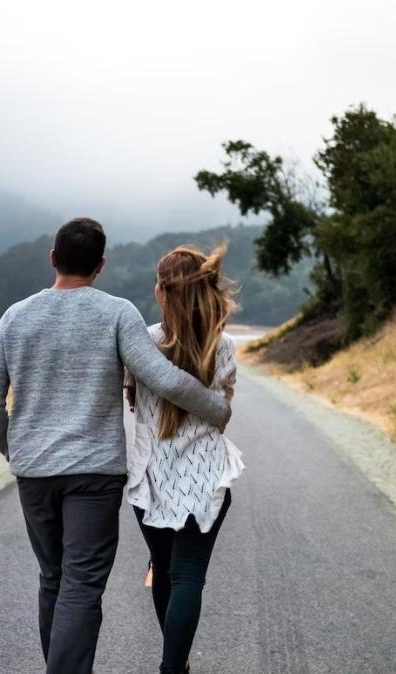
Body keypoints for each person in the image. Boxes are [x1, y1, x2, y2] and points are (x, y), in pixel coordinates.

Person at [0, 218, 231, 674]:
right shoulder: (116, 312)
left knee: (52, 579)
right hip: (94, 475)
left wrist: (13, 450)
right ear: (101, 265)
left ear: (53, 259)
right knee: (81, 584)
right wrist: (216, 409)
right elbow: (163, 378)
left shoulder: (15, 316)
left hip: (34, 474)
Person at [124, 244, 244, 674]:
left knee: (163, 568)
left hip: (151, 477)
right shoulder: (224, 344)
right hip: (206, 475)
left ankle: (177, 662)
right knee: (189, 574)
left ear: (161, 291)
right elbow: (223, 408)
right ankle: (173, 666)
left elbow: (133, 399)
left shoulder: (143, 344)